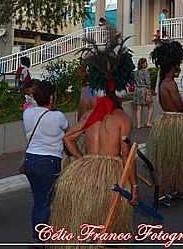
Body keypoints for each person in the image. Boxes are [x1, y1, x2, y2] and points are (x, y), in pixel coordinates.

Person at [50, 32, 137, 243]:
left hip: (86, 173)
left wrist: (82, 160)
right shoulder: (121, 118)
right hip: (110, 176)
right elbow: (126, 155)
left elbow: (68, 138)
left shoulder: (90, 116)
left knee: (84, 227)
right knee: (110, 229)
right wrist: (134, 187)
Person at [149, 39, 183, 204]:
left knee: (174, 159)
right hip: (174, 123)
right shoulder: (169, 84)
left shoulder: (164, 83)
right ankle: (163, 193)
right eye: (178, 65)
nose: (179, 68)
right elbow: (179, 106)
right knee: (170, 160)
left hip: (167, 122)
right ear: (172, 66)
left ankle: (173, 189)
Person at [22, 80, 68, 242]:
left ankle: (38, 234)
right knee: (45, 202)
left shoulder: (27, 113)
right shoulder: (58, 117)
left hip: (30, 160)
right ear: (50, 98)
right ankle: (42, 237)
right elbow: (67, 132)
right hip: (48, 163)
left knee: (39, 200)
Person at [133, 58, 154, 129]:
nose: (146, 64)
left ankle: (138, 124)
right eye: (145, 63)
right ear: (142, 64)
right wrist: (150, 91)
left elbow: (134, 81)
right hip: (145, 90)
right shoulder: (146, 72)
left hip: (137, 90)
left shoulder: (135, 72)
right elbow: (148, 82)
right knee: (150, 106)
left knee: (138, 108)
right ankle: (148, 122)